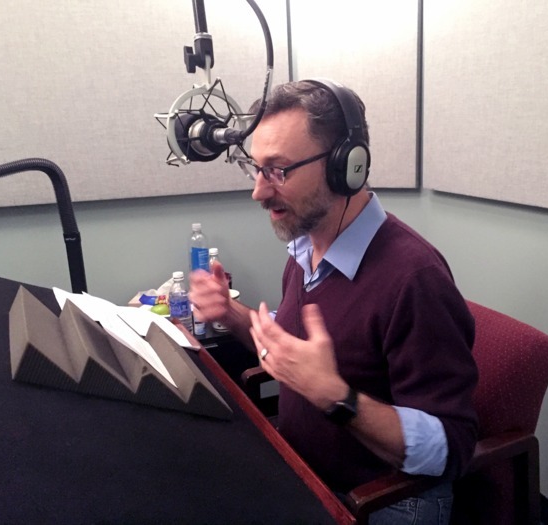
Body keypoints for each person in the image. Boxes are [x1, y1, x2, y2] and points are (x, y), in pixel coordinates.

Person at [189, 79, 478, 525]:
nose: (258, 192)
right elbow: (294, 351)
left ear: (347, 165)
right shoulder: (305, 250)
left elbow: (453, 448)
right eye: (256, 169)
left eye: (278, 171)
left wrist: (335, 397)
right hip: (309, 471)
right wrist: (230, 312)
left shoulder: (414, 278)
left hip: (385, 500)